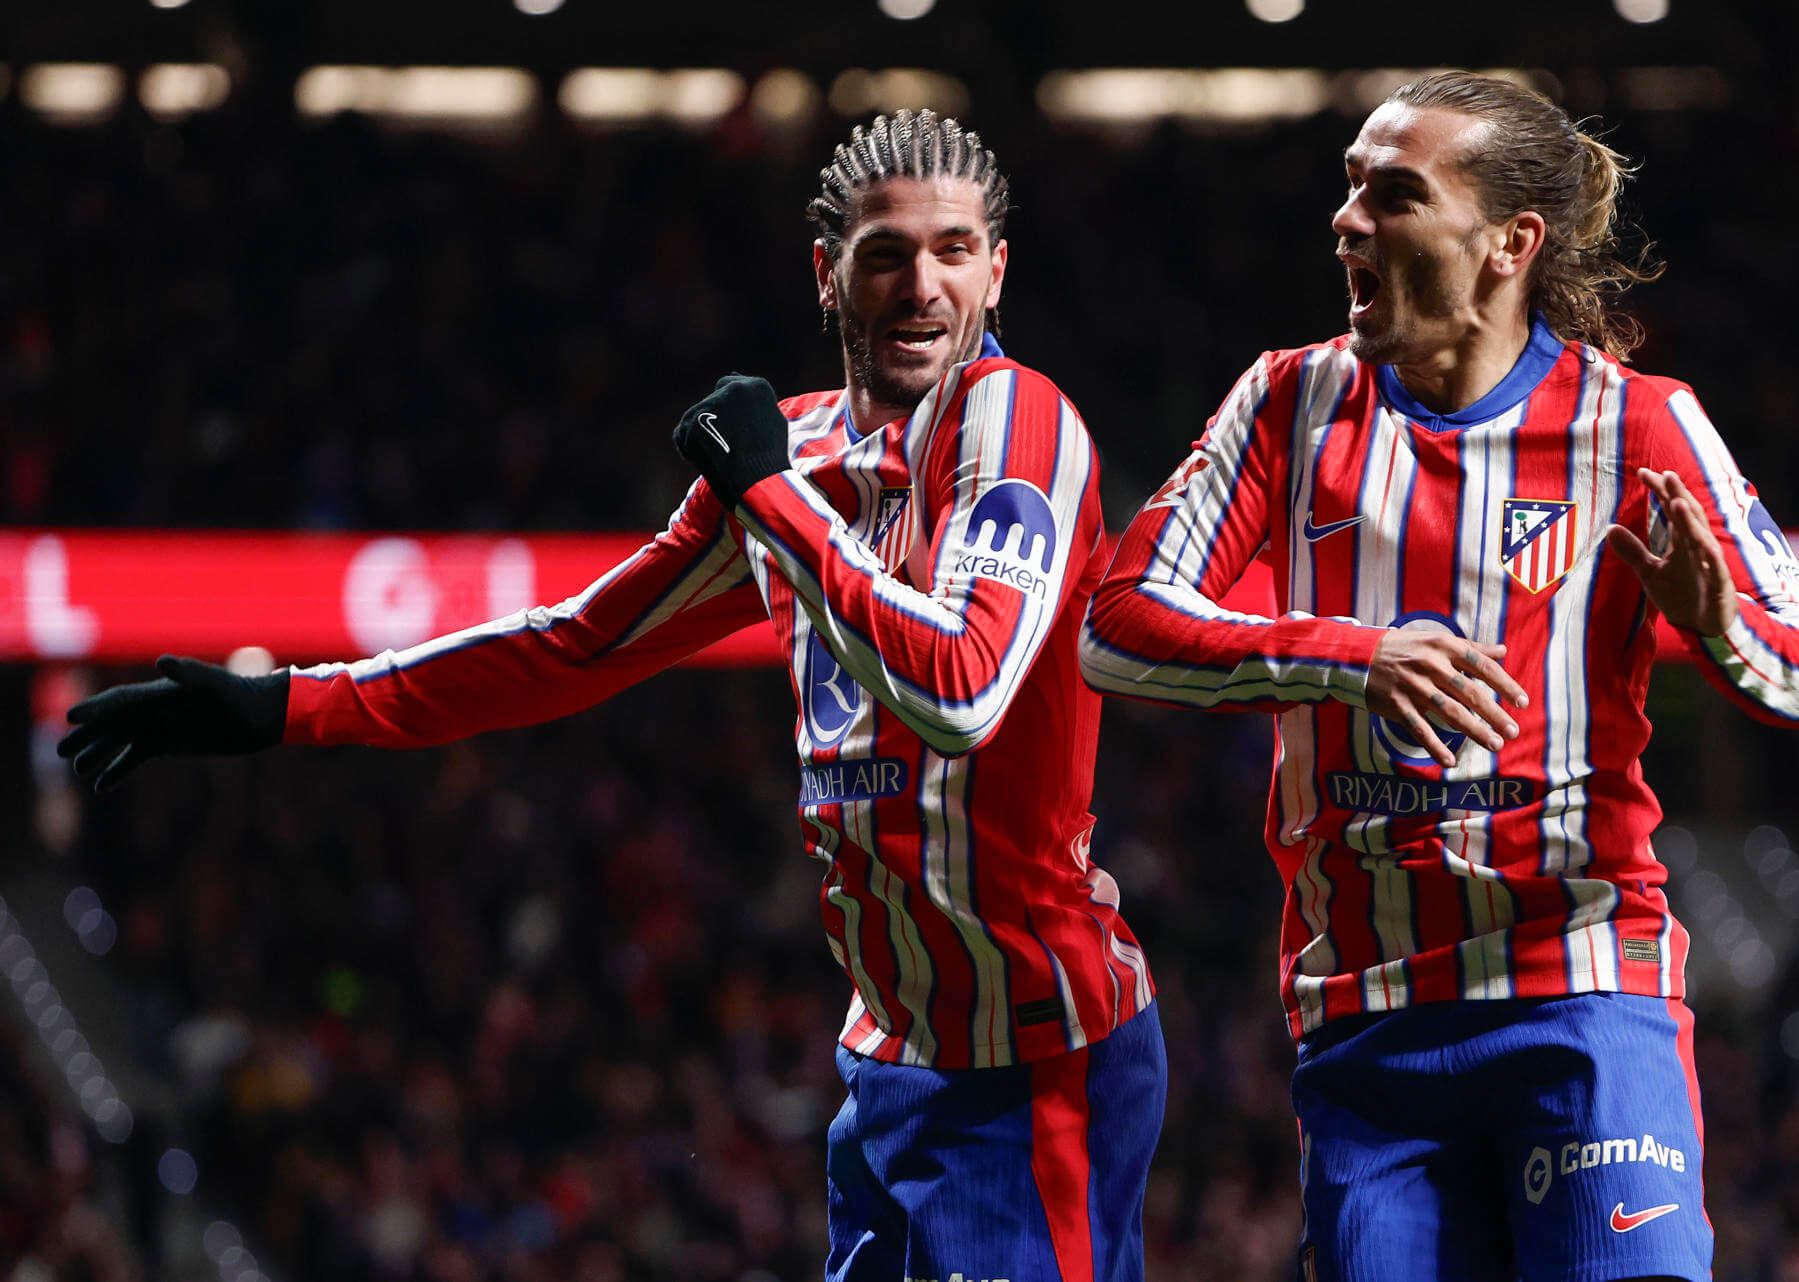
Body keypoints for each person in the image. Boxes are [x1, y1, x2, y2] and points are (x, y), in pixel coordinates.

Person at [61, 109, 1164, 1282]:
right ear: (826, 273)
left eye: (953, 249)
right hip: (893, 1061)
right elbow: (574, 644)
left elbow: (966, 686)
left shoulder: (1017, 424)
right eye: (885, 252)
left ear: (998, 270)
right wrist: (291, 704)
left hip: (1038, 1062)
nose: (922, 283)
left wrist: (772, 504)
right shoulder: (795, 450)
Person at [1079, 70, 1799, 1282]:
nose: (1348, 222)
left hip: (1583, 990)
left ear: (1509, 243)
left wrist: (1720, 627)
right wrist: (1352, 657)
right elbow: (1115, 624)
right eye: (1348, 191)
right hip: (1370, 1016)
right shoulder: (1290, 405)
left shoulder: (1636, 424)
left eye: (1393, 195)